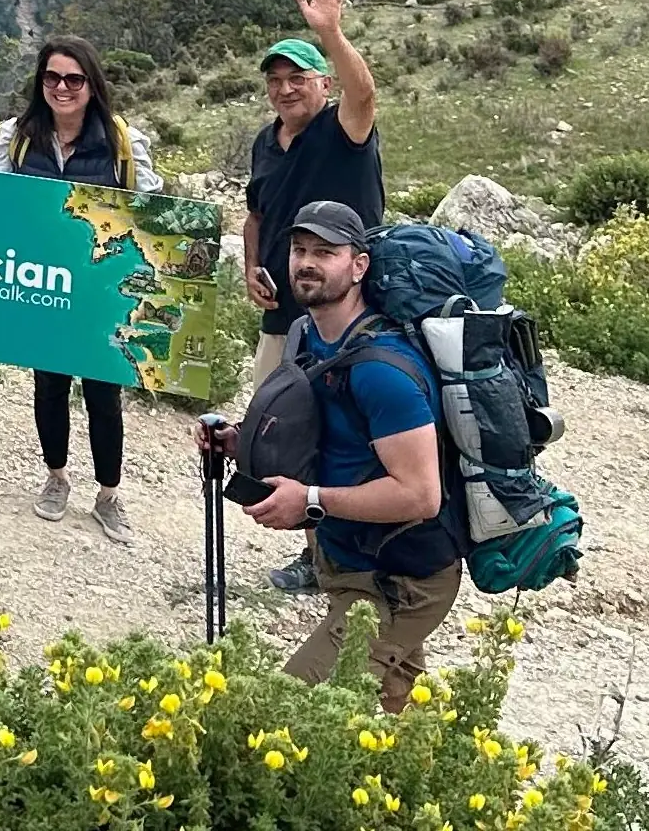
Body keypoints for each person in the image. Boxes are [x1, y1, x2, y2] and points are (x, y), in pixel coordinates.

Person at [197, 201, 460, 713]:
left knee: (286, 710)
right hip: (350, 562)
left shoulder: (384, 371)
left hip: (401, 578)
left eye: (325, 252)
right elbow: (319, 428)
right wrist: (238, 440)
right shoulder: (306, 335)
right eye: (299, 250)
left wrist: (310, 500)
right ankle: (422, 781)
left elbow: (421, 495)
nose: (306, 262)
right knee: (393, 700)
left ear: (359, 265)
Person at [0, 35, 163, 545]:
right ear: (40, 83)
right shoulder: (17, 136)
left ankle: (108, 493)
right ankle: (56, 476)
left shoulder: (122, 141)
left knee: (105, 391)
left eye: (73, 79)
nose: (62, 88)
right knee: (50, 385)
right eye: (52, 78)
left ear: (91, 85)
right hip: (43, 284)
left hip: (102, 287)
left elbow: (144, 206)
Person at [243, 0, 385, 594]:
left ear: (321, 83)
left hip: (345, 311)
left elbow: (365, 94)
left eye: (297, 78)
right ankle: (313, 550)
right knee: (287, 427)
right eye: (275, 81)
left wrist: (330, 32)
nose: (284, 90)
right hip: (283, 313)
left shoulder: (343, 131)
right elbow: (256, 212)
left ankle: (353, 550)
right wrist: (251, 264)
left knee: (346, 427)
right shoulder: (265, 142)